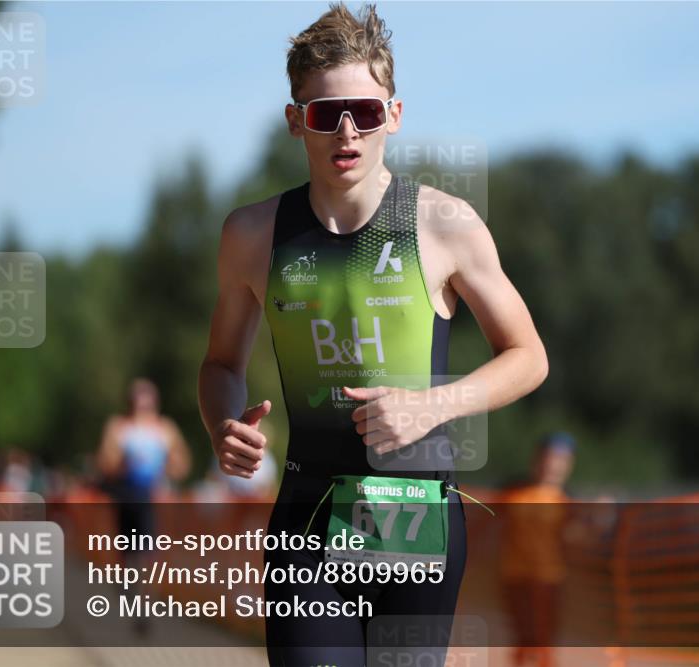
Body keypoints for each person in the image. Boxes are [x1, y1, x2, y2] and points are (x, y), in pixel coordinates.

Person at [198, 4, 549, 665]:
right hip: (307, 514)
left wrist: (431, 404)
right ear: (296, 120)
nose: (348, 130)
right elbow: (220, 364)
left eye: (366, 109)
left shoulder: (445, 224)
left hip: (413, 514)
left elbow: (529, 356)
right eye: (327, 114)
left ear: (394, 114)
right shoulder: (250, 235)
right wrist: (222, 425)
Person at [96, 377, 191, 632]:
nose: (142, 407)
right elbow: (104, 463)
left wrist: (169, 467)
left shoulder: (165, 429)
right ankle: (129, 588)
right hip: (126, 495)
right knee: (128, 552)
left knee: (148, 552)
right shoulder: (118, 426)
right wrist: (123, 461)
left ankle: (144, 605)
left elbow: (182, 463)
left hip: (152, 497)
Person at [498, 432, 576, 667]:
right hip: (514, 574)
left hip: (548, 578)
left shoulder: (566, 502)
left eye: (561, 460)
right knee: (523, 634)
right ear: (537, 459)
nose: (553, 465)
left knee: (542, 636)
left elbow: (575, 539)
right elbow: (485, 526)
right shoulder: (512, 493)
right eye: (549, 457)